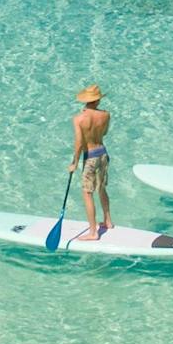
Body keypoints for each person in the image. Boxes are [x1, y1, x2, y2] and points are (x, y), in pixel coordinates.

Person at [69, 84, 113, 239]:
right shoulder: (105, 115)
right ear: (98, 100)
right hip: (103, 153)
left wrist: (74, 162)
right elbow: (104, 133)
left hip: (91, 157)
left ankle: (93, 232)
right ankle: (108, 221)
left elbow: (79, 142)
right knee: (101, 188)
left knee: (87, 193)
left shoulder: (79, 119)